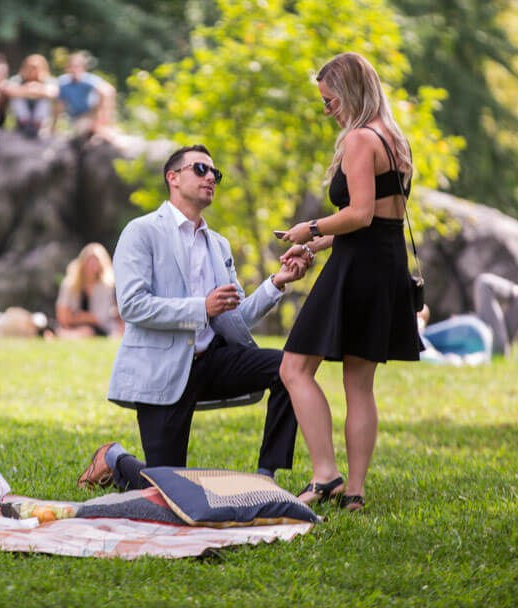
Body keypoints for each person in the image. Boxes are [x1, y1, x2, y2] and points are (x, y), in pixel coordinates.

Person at [76, 145, 308, 492]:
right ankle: (114, 459)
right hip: (162, 371)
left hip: (211, 362)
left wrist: (276, 283)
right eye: (200, 169)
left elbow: (234, 316)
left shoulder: (218, 245)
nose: (211, 177)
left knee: (290, 368)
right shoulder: (141, 232)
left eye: (215, 173)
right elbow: (133, 306)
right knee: (167, 492)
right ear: (173, 177)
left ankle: (266, 476)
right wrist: (201, 307)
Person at [274, 52, 422, 513]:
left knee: (294, 368)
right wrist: (315, 247)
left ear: (352, 92)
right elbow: (375, 220)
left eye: (330, 99)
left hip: (358, 268)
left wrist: (310, 229)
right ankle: (354, 491)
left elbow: (357, 213)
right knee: (359, 383)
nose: (327, 110)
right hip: (382, 263)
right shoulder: (395, 139)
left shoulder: (360, 139)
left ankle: (326, 474)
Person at [55, 242, 124, 338]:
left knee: (87, 331)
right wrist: (86, 318)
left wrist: (76, 316)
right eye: (89, 260)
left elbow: (101, 319)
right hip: (72, 328)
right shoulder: (69, 285)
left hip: (102, 329)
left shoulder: (108, 287)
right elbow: (63, 317)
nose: (92, 264)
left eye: (96, 260)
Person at [54, 51, 116, 137]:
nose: (73, 70)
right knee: (83, 130)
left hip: (91, 114)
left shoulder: (88, 80)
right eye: (70, 67)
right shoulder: (63, 82)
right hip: (76, 118)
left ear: (83, 68)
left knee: (94, 130)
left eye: (76, 67)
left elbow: (108, 91)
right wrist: (54, 126)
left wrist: (105, 118)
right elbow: (59, 104)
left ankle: (104, 127)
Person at [416, 305, 492, 366]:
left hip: (474, 331)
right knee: (448, 359)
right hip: (480, 341)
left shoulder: (425, 337)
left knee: (420, 341)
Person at [3, 54, 57, 138]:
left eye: (35, 67)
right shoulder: (18, 79)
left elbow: (52, 93)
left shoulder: (48, 80)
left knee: (44, 101)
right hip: (23, 118)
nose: (33, 70)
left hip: (40, 120)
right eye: (30, 67)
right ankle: (25, 124)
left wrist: (33, 88)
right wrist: (32, 90)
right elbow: (9, 91)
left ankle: (37, 125)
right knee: (16, 99)